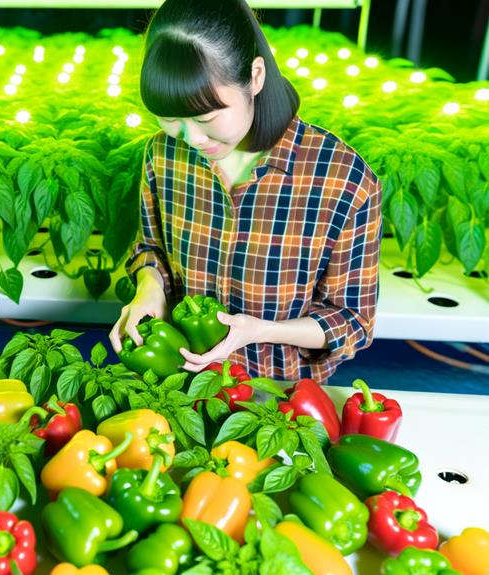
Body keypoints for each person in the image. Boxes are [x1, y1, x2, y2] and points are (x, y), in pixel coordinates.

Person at [109, 0, 382, 384]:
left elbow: (352, 320)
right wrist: (148, 290)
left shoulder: (342, 179)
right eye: (171, 119)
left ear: (255, 76)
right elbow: (151, 249)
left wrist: (258, 330)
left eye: (206, 117)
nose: (193, 138)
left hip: (280, 393)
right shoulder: (164, 153)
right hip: (179, 384)